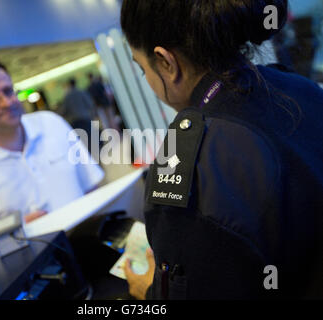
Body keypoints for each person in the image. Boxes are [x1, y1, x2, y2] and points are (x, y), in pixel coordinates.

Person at [121, 0, 323, 299]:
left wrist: (150, 291)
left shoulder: (184, 161)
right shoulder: (299, 88)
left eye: (142, 69)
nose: (148, 80)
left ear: (166, 62)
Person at [0, 57, 104, 255]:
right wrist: (15, 234)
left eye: (8, 91)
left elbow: (92, 185)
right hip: (33, 272)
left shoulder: (52, 123)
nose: (7, 102)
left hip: (92, 246)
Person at [61, 78, 97, 153]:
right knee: (92, 141)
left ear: (69, 85)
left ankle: (88, 159)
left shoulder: (67, 97)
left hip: (75, 123)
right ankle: (97, 160)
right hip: (85, 119)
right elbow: (90, 104)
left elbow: (64, 111)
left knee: (82, 144)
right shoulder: (81, 92)